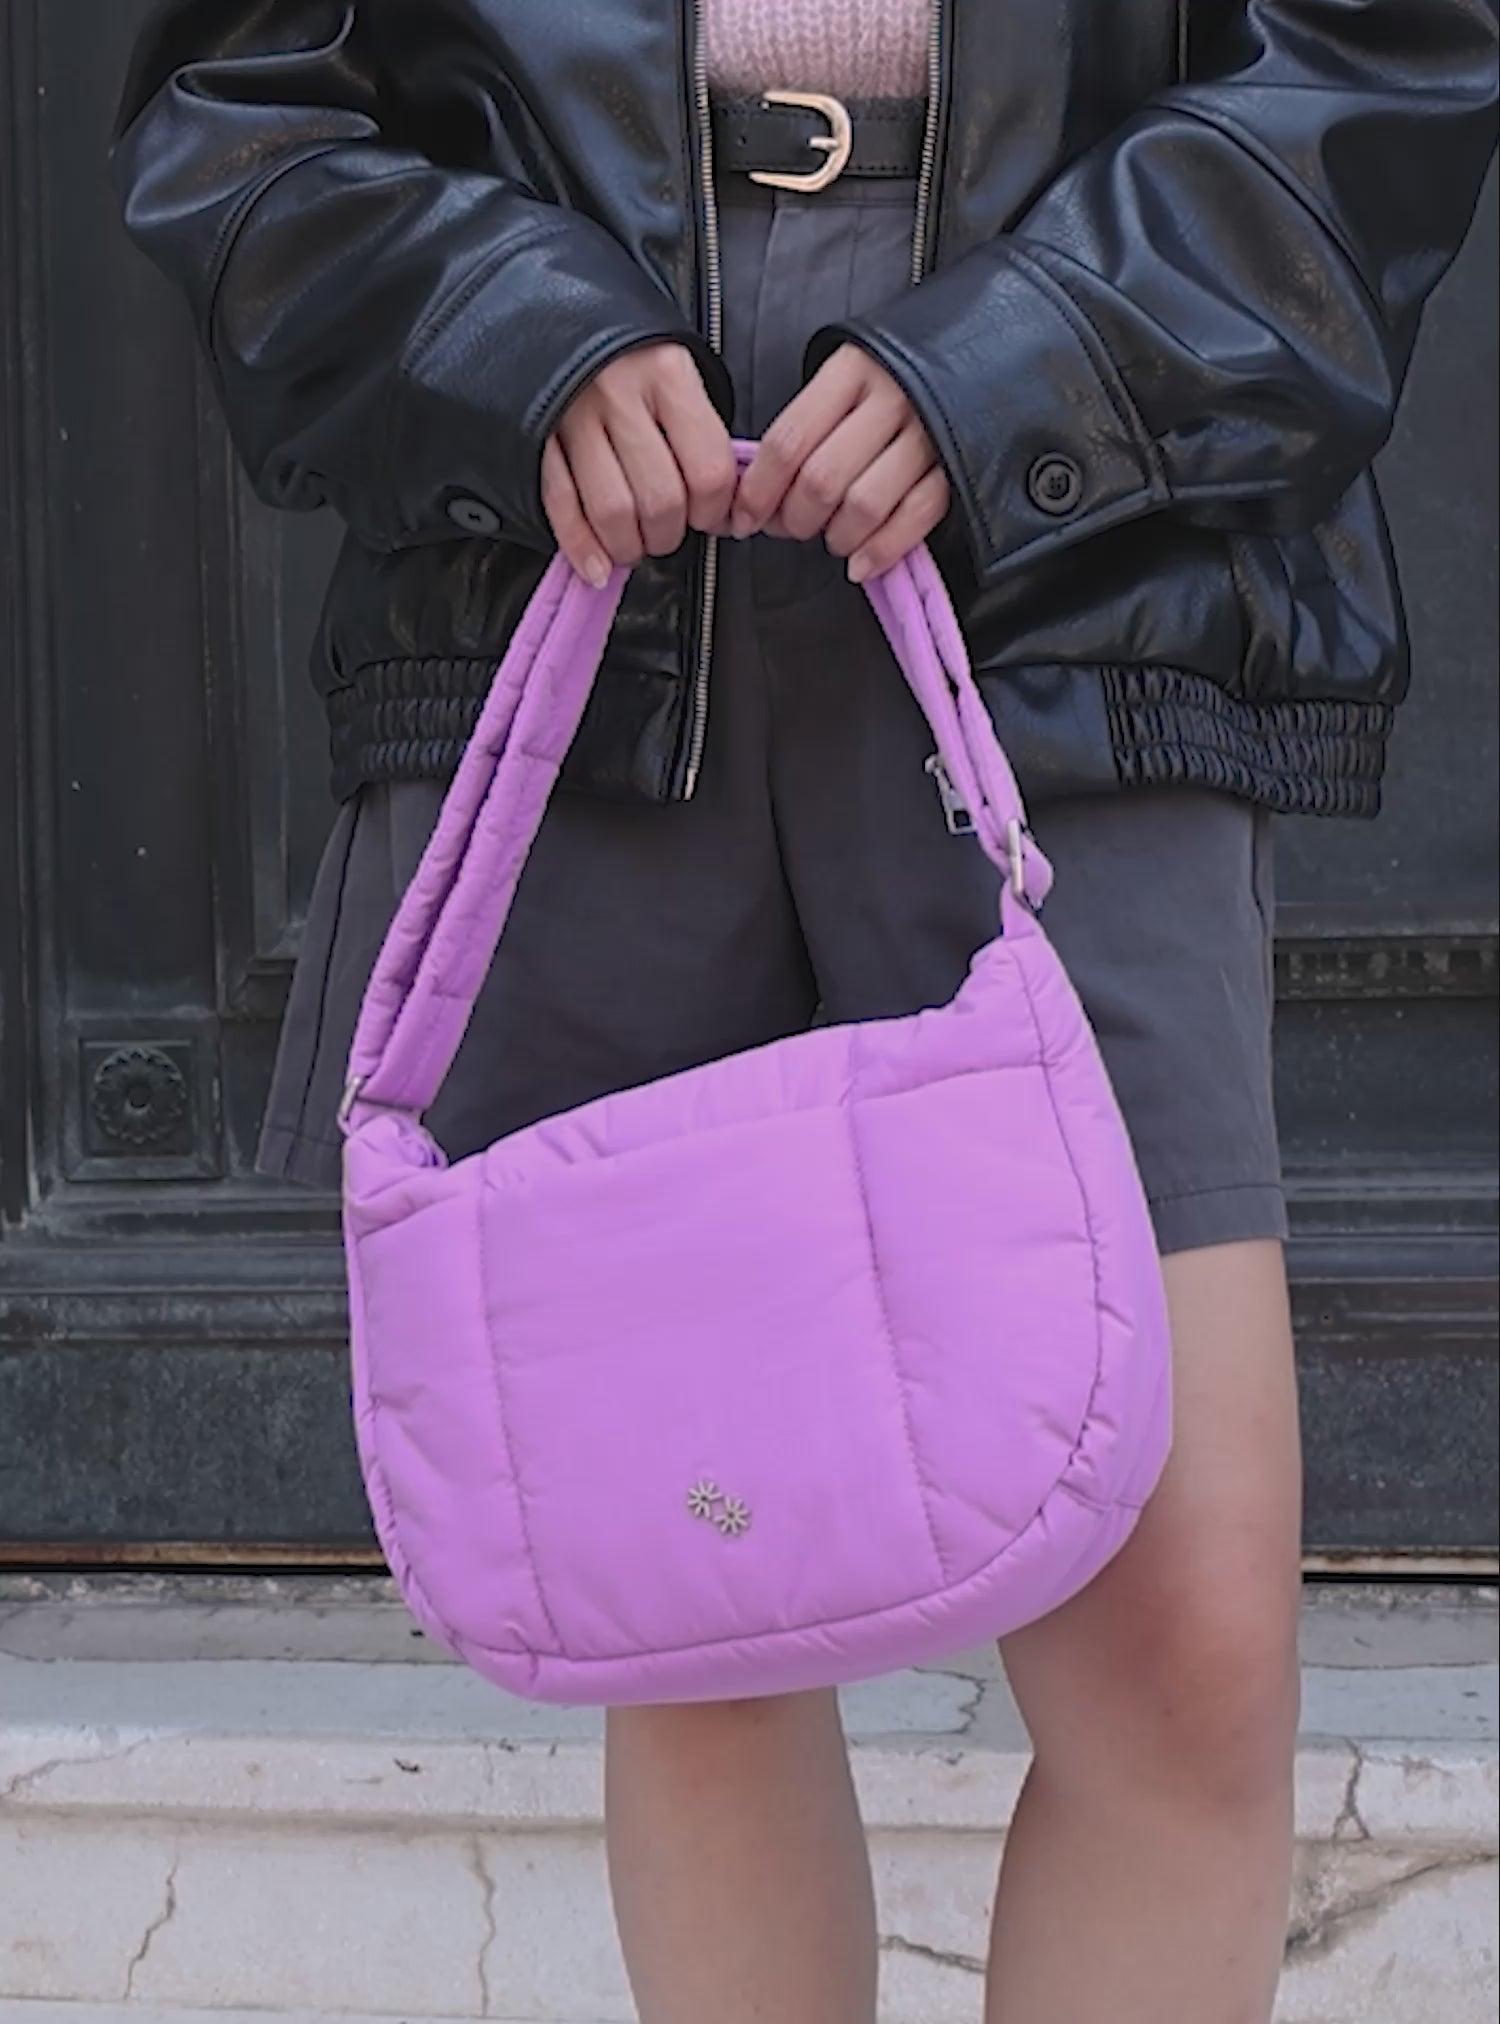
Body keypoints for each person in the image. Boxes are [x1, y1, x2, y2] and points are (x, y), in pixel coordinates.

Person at [112, 5, 1498, 2019]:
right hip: (584, 514)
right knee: (698, 1604)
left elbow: (1375, 60)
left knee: (1188, 1635)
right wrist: (502, 332)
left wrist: (1036, 355)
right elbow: (236, 107)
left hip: (1074, 519)